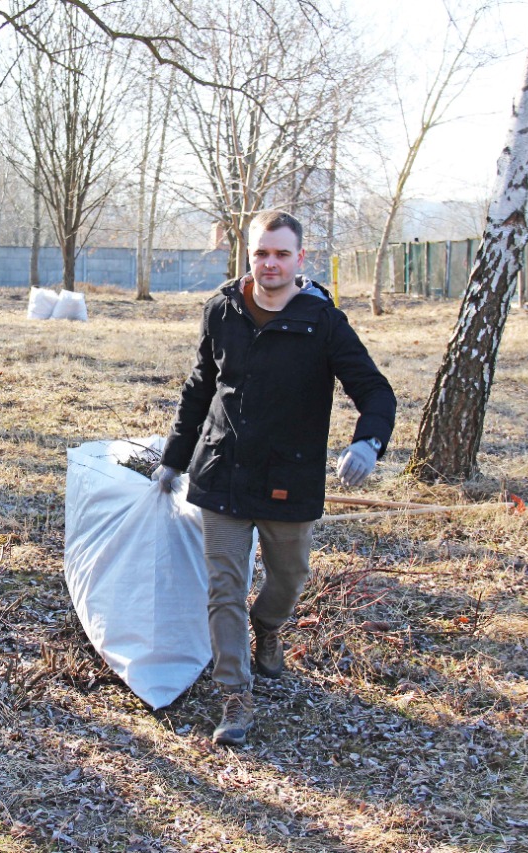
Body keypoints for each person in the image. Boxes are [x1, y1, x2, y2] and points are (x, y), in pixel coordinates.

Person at [154, 210, 396, 745]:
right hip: (222, 471)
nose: (270, 263)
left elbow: (375, 391)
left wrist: (368, 442)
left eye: (282, 254)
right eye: (261, 252)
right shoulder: (222, 310)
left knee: (288, 581)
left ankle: (267, 626)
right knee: (224, 588)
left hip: (290, 475)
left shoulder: (323, 321)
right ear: (250, 255)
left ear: (299, 259)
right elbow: (200, 387)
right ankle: (234, 694)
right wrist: (174, 458)